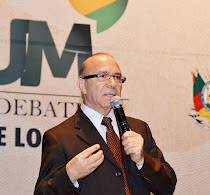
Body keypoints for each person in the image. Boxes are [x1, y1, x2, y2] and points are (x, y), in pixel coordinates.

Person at [34, 53, 177, 195]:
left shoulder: (139, 128)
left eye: (117, 77)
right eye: (102, 76)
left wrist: (142, 160)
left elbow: (168, 186)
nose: (112, 84)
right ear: (82, 85)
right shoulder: (59, 137)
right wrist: (70, 175)